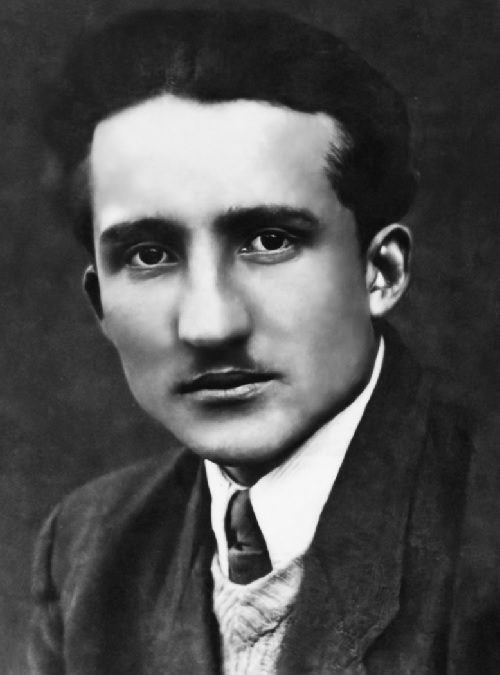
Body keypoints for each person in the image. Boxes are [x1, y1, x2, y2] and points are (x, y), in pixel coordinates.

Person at [28, 9, 498, 675]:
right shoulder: (86, 546)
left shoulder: (481, 531)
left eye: (269, 240)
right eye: (149, 254)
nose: (210, 324)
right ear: (99, 303)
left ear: (381, 271)